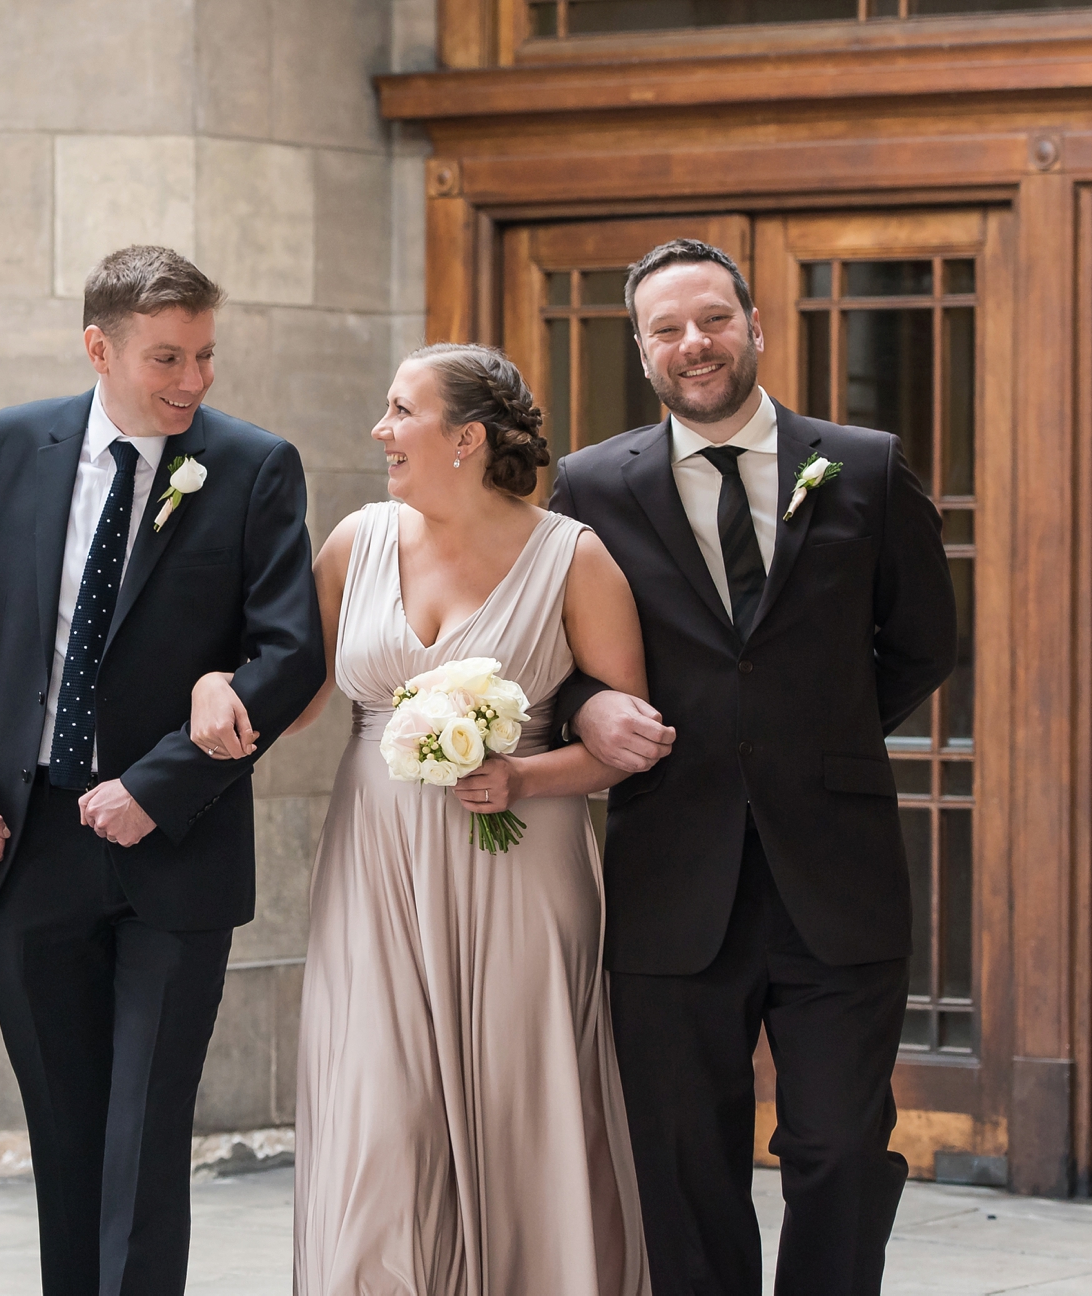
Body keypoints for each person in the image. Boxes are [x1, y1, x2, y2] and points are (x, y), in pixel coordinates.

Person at [190, 344, 653, 1294]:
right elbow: (298, 694)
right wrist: (211, 684)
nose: (381, 430)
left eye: (401, 410)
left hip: (521, 863)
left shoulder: (575, 557)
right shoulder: (355, 543)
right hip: (375, 862)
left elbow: (626, 743)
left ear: (468, 439)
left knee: (520, 1104)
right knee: (379, 1115)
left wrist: (524, 780)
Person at [548, 238, 957, 1295]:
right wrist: (590, 711)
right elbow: (549, 663)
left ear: (754, 325)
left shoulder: (860, 462)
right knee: (682, 1162)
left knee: (834, 1147)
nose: (695, 345)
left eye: (712, 320)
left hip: (836, 875)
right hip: (668, 874)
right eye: (667, 328)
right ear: (641, 350)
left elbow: (921, 640)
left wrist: (814, 735)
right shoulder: (589, 486)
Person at [0, 245, 326, 1296]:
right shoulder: (15, 443)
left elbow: (288, 656)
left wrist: (156, 786)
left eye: (202, 356)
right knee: (63, 1137)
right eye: (164, 358)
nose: (190, 381)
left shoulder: (252, 465)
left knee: (144, 1140)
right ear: (97, 347)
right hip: (28, 839)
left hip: (174, 847)